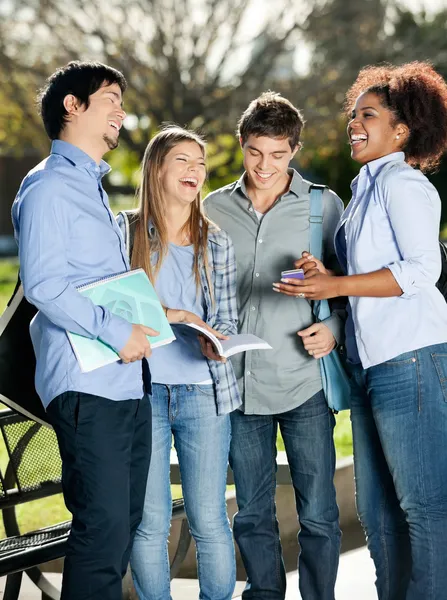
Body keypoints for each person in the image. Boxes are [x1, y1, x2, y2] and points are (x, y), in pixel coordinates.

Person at [276, 62, 447, 600]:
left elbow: (423, 269)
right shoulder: (363, 193)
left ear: (401, 130)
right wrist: (328, 283)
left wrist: (337, 285)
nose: (354, 122)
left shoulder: (402, 183)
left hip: (413, 359)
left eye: (367, 115)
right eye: (353, 114)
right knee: (377, 511)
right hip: (371, 367)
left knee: (424, 508)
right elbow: (358, 285)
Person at [11, 61, 157, 600]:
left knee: (121, 526)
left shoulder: (92, 190)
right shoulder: (49, 188)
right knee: (102, 531)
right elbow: (45, 286)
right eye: (111, 98)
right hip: (87, 385)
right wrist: (119, 334)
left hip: (123, 383)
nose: (121, 110)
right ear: (73, 105)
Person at [204, 92, 343, 600]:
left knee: (320, 513)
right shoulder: (213, 208)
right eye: (256, 152)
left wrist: (336, 330)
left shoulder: (321, 206)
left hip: (304, 380)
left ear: (295, 150)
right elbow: (198, 288)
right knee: (252, 513)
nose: (266, 166)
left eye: (279, 154)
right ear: (242, 145)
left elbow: (350, 285)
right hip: (238, 386)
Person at [117, 126, 241, 600]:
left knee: (209, 518)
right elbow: (114, 308)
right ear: (157, 168)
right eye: (182, 161)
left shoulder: (217, 243)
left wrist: (216, 340)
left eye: (200, 163)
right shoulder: (125, 232)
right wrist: (177, 315)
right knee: (149, 522)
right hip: (141, 392)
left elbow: (224, 317)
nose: (195, 171)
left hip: (204, 393)